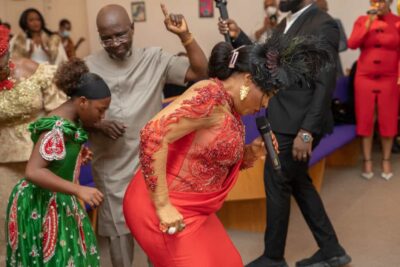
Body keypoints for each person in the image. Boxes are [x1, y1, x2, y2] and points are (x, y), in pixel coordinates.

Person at [123, 31, 332, 267]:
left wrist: (250, 152)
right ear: (248, 80)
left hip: (195, 209)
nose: (265, 104)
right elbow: (153, 134)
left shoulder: (229, 106)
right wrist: (162, 206)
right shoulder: (209, 96)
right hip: (161, 205)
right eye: (267, 95)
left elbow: (209, 156)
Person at [219, 1, 351, 267]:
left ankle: (273, 257)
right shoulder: (286, 22)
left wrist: (306, 133)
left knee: (277, 182)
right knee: (299, 183)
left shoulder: (322, 23)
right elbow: (267, 59)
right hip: (283, 118)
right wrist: (239, 35)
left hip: (298, 124)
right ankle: (332, 250)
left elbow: (325, 83)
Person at [85, 4, 208, 267]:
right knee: (119, 237)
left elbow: (200, 73)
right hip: (112, 168)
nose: (115, 43)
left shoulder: (154, 58)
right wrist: (99, 125)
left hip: (152, 167)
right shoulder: (87, 67)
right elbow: (74, 114)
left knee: (158, 232)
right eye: (106, 38)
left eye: (120, 34)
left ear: (132, 29)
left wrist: (185, 36)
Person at [4, 58, 110, 266]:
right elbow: (33, 171)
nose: (102, 116)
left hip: (59, 197)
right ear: (82, 102)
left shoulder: (72, 121)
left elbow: (57, 158)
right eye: (100, 110)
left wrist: (77, 156)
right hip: (41, 202)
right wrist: (79, 190)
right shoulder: (56, 128)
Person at [0, 24, 66, 261]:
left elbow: (59, 111)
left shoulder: (35, 71)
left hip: (42, 159)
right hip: (2, 165)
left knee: (47, 221)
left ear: (8, 51)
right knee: (9, 223)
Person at [348, 0, 400, 180]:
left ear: (390, 1)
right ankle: (367, 160)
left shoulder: (397, 22)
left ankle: (385, 160)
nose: (380, 3)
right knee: (367, 117)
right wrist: (368, 24)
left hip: (390, 78)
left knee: (388, 117)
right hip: (365, 78)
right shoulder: (362, 20)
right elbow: (352, 43)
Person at [315, 0, 348, 78]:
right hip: (316, 71)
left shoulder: (336, 22)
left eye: (324, 9)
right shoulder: (309, 25)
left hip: (335, 70)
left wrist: (329, 47)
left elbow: (344, 43)